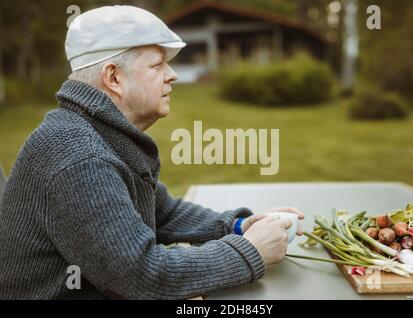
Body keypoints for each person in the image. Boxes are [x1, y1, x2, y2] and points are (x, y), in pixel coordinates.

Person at [0, 5, 304, 300]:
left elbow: (163, 212)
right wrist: (248, 252)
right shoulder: (78, 158)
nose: (172, 75)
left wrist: (237, 226)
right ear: (114, 78)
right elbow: (142, 277)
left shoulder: (100, 132)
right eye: (157, 65)